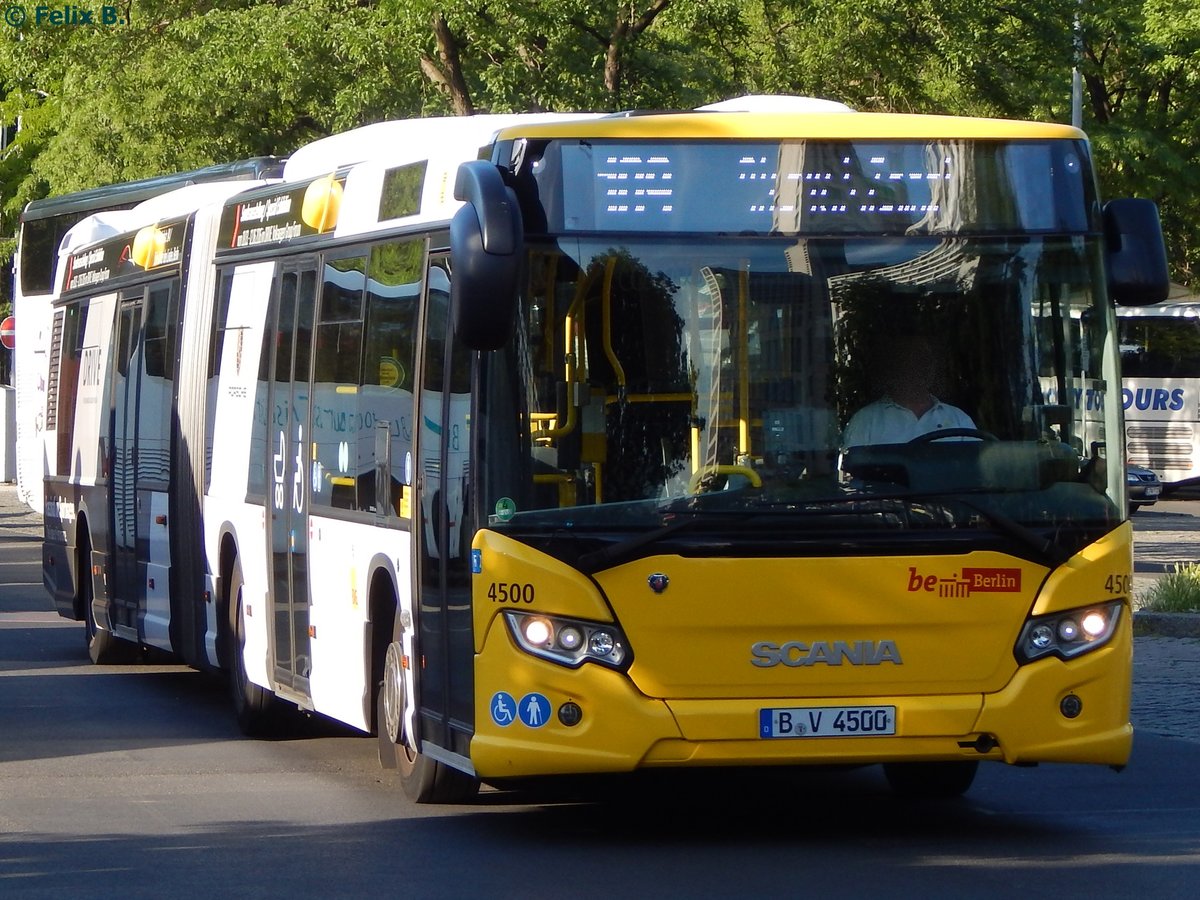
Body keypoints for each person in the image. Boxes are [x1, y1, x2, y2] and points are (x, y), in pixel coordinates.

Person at [842, 334, 975, 448]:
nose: (921, 369)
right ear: (897, 368)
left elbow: (973, 469)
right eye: (913, 362)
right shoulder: (867, 421)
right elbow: (854, 473)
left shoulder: (958, 418)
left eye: (926, 361)